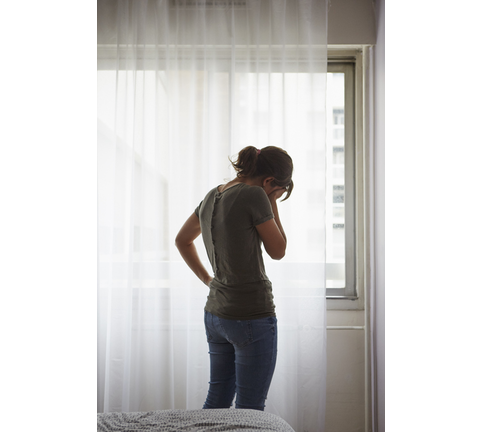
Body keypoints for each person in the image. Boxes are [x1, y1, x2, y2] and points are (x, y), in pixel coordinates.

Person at [175, 145, 294, 411]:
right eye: (279, 190)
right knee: (250, 409)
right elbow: (278, 251)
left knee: (216, 401)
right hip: (251, 315)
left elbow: (182, 240)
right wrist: (272, 201)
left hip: (215, 314)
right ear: (269, 181)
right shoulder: (255, 195)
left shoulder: (212, 195)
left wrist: (208, 280)